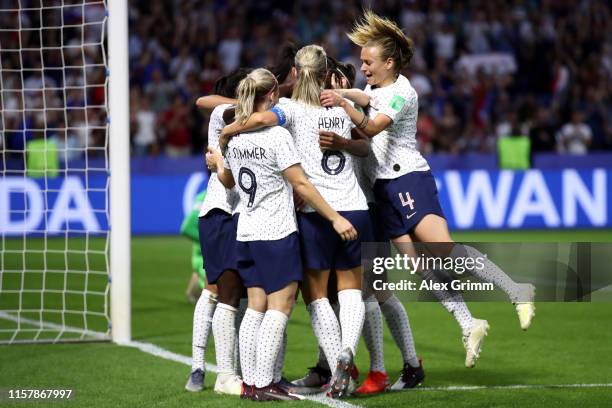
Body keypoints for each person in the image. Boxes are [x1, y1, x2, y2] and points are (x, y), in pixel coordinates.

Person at [320, 10, 535, 373]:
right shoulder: (374, 88)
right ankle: (469, 324)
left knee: (442, 249)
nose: (364, 68)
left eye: (368, 62)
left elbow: (371, 129)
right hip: (385, 190)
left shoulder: (403, 92)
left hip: (408, 180)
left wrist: (342, 103)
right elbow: (364, 100)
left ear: (389, 62)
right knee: (417, 266)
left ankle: (517, 290)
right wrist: (344, 96)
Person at [219, 45, 373, 398]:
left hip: (315, 214)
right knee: (352, 291)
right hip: (355, 206)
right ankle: (348, 351)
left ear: (296, 73)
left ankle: (336, 365)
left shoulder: (288, 110)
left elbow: (257, 119)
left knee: (316, 297)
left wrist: (228, 133)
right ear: (323, 73)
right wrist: (346, 140)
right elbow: (367, 145)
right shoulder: (337, 104)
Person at [188, 68, 251, 395]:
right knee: (216, 290)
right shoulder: (224, 116)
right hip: (221, 210)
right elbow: (203, 100)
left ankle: (231, 366)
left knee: (236, 294)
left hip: (242, 212)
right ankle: (199, 366)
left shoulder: (254, 121)